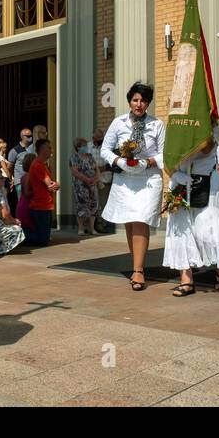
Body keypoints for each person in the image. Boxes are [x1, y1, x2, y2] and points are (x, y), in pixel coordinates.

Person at [101, 82, 166, 291]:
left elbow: (165, 153)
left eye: (143, 100)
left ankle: (139, 271)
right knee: (130, 222)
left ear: (148, 103)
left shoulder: (157, 125)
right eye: (135, 100)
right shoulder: (118, 122)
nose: (139, 104)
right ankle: (136, 264)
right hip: (125, 179)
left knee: (141, 220)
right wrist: (119, 161)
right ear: (130, 101)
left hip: (148, 179)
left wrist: (148, 162)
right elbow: (105, 149)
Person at [163, 138, 219, 295]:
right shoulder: (177, 136)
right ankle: (186, 279)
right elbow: (167, 161)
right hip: (180, 185)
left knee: (209, 230)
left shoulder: (216, 142)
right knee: (181, 232)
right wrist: (176, 175)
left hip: (208, 188)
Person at [23, 138, 59, 246]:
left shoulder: (41, 164)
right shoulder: (38, 165)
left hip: (44, 206)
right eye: (49, 147)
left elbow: (51, 184)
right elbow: (51, 186)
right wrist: (57, 184)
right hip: (40, 207)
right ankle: (20, 234)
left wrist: (56, 184)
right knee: (43, 240)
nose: (51, 150)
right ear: (43, 149)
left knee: (44, 238)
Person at [69, 136, 99, 235]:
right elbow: (75, 172)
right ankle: (81, 228)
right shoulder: (74, 157)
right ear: (78, 147)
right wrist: (87, 179)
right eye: (84, 145)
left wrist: (96, 178)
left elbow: (96, 168)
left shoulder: (90, 156)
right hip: (80, 186)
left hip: (92, 185)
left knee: (93, 205)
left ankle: (92, 228)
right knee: (82, 206)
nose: (86, 147)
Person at [91, 127, 113, 234]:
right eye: (99, 138)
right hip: (93, 181)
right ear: (93, 138)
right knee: (93, 205)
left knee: (103, 205)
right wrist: (98, 168)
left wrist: (101, 168)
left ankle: (101, 225)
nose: (101, 140)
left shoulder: (106, 147)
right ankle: (91, 226)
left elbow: (110, 165)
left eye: (102, 138)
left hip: (105, 181)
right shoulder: (88, 147)